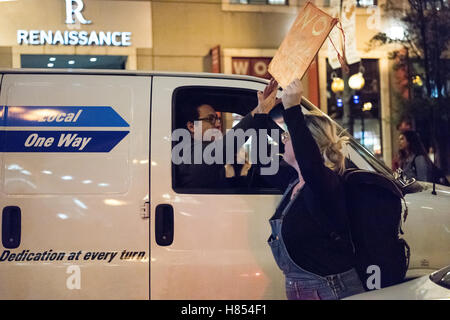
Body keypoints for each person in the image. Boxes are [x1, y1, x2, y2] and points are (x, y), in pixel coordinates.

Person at [265, 79, 365, 300]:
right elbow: (260, 162)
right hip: (303, 289)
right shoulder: (293, 182)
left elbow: (310, 165)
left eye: (287, 136)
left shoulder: (324, 183)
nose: (283, 141)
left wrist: (293, 109)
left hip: (330, 290)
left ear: (308, 144)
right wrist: (261, 114)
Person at [174, 79, 280, 189]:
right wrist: (260, 110)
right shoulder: (188, 154)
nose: (218, 124)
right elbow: (226, 145)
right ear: (192, 126)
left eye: (217, 118)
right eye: (211, 119)